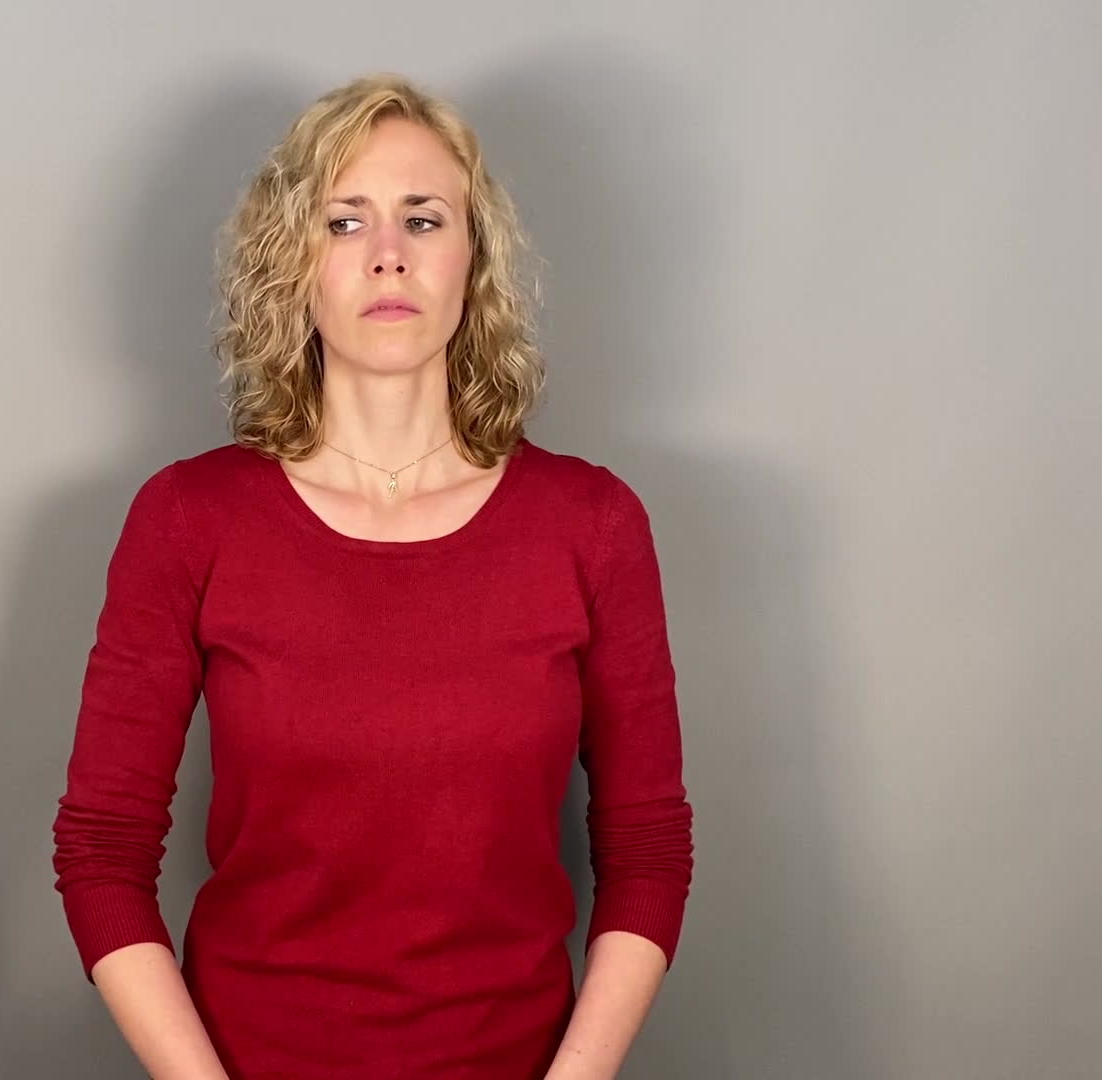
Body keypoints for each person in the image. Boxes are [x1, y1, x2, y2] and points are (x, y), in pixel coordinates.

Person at [51, 72, 693, 1080]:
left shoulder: (592, 525)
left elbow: (648, 845)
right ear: (293, 262)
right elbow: (101, 850)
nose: (388, 252)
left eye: (423, 219)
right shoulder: (189, 520)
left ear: (473, 257)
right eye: (343, 222)